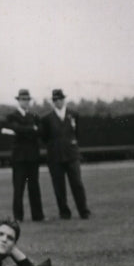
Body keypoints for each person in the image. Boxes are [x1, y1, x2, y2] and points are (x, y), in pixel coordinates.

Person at [41, 88, 91, 220]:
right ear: (53, 102)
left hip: (71, 155)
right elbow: (44, 138)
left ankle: (84, 211)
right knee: (59, 187)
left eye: (60, 99)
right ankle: (64, 212)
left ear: (64, 100)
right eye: (55, 100)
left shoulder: (73, 114)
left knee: (77, 184)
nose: (58, 102)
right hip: (55, 157)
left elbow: (77, 133)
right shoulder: (46, 118)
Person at [2, 88, 45, 223]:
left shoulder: (34, 116)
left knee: (34, 187)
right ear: (18, 100)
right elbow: (16, 128)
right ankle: (18, 217)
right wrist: (31, 129)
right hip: (19, 158)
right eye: (23, 99)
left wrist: (23, 130)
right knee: (19, 188)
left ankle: (38, 216)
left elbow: (40, 132)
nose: (25, 102)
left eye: (27, 99)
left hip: (32, 157)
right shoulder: (11, 116)